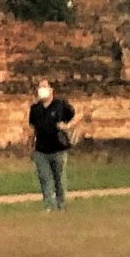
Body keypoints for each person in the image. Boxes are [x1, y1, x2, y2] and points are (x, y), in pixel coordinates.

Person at [28, 79, 79, 212]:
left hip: (58, 148)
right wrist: (30, 146)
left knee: (59, 179)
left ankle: (61, 205)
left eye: (45, 87)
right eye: (40, 87)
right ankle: (49, 206)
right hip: (41, 150)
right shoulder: (35, 109)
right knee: (45, 179)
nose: (42, 90)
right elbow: (32, 128)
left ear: (51, 90)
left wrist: (67, 126)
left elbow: (76, 116)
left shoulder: (60, 105)